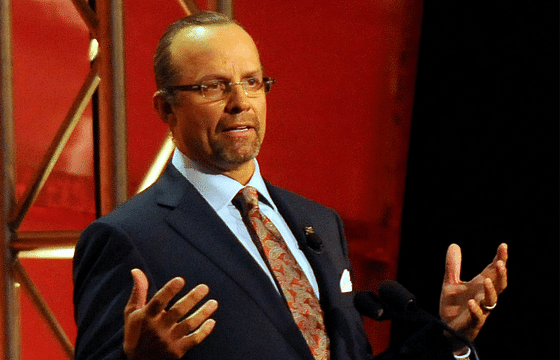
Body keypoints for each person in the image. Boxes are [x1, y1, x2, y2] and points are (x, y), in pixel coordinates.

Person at [72, 11, 508, 360]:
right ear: (166, 108)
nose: (240, 102)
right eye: (213, 87)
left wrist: (448, 335)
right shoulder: (128, 237)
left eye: (252, 82)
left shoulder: (319, 222)